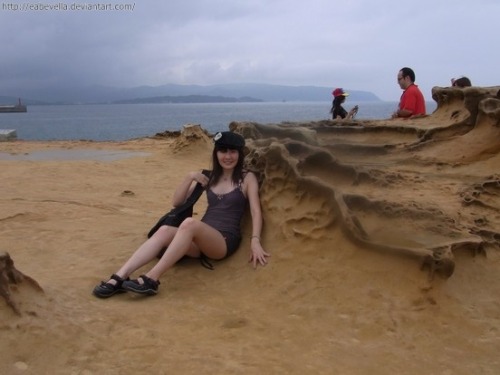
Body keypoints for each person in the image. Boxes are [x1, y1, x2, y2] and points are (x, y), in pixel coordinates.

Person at [92, 131, 270, 298]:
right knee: (164, 230)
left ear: (239, 154)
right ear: (216, 153)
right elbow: (177, 203)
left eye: (233, 151)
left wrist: (255, 240)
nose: (228, 156)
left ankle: (152, 279)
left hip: (223, 242)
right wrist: (190, 177)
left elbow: (255, 211)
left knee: (189, 223)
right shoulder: (210, 177)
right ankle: (119, 277)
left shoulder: (246, 178)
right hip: (197, 240)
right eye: (223, 151)